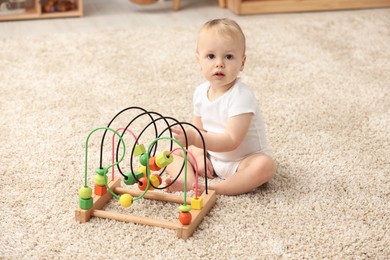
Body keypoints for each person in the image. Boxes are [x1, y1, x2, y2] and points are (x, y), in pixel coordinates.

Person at [165, 18, 275, 196]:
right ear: (199, 61)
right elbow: (199, 129)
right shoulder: (200, 92)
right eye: (211, 56)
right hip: (212, 157)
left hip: (242, 161)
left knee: (265, 166)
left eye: (229, 57)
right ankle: (189, 183)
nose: (219, 63)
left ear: (242, 63)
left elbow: (232, 140)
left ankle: (215, 189)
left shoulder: (241, 96)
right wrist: (199, 155)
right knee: (173, 153)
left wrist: (195, 139)